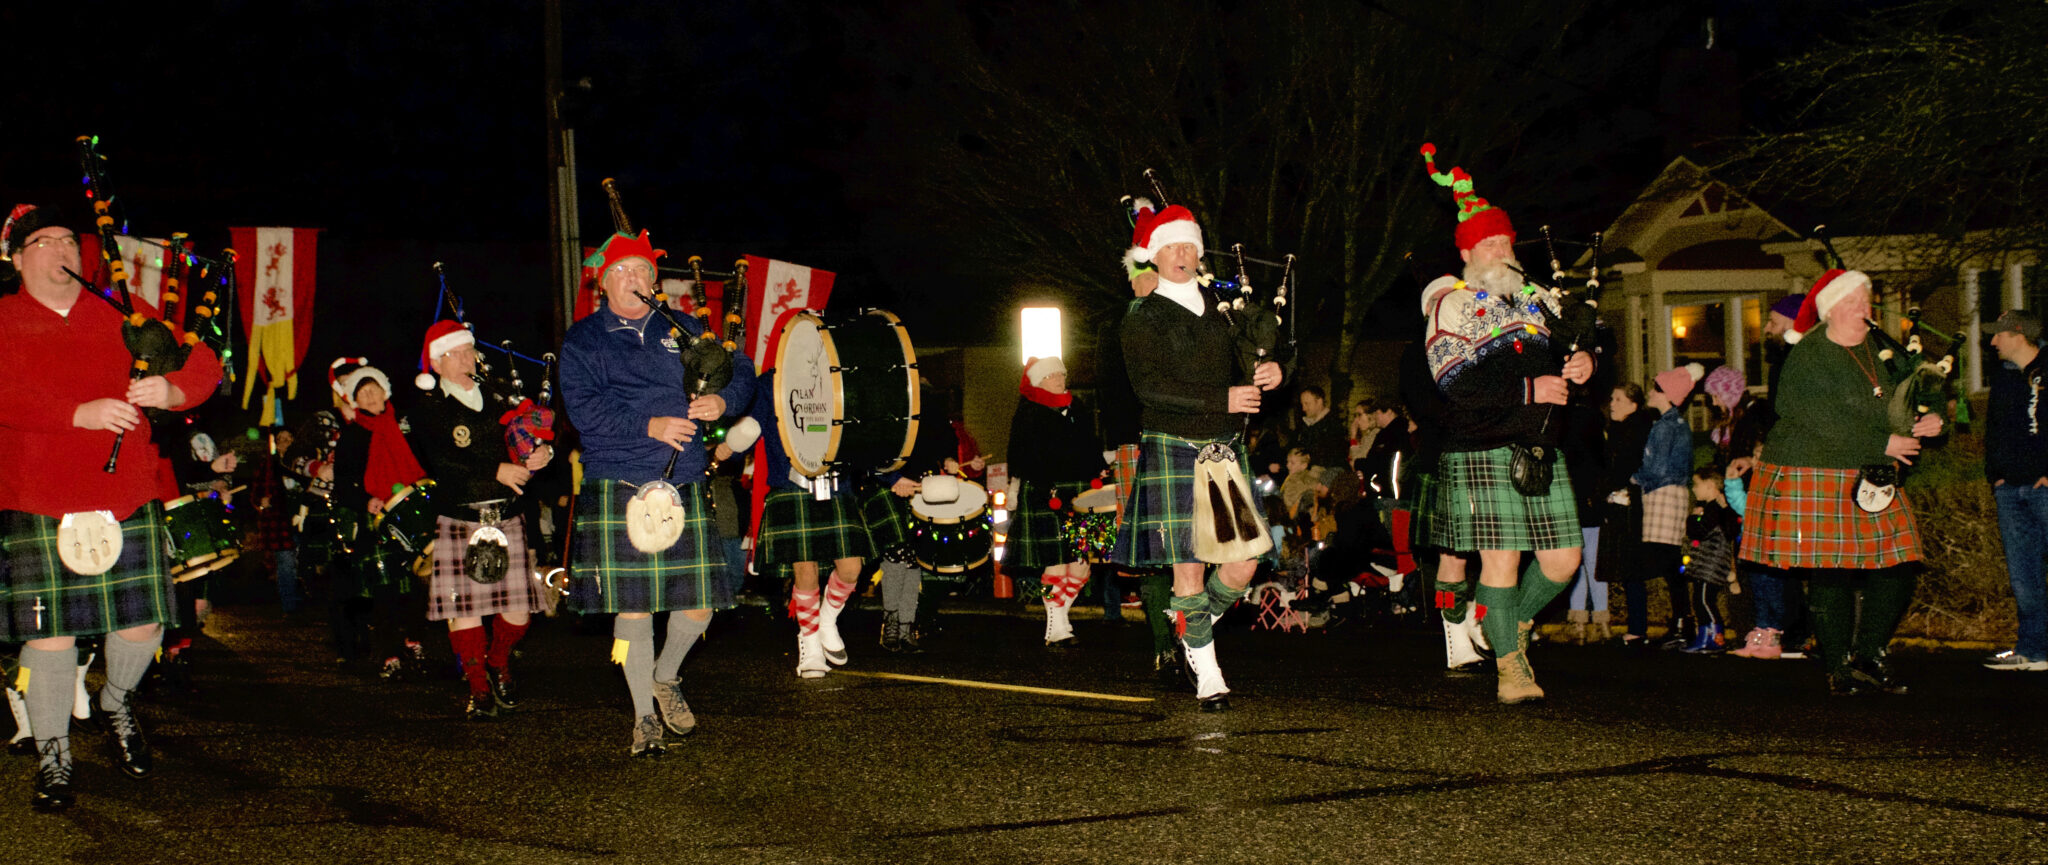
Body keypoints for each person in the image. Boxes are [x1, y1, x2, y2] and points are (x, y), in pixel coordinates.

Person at [0, 204, 222, 810]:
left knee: (145, 622)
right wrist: (78, 413)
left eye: (68, 239)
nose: (61, 249)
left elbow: (202, 363)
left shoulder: (121, 316)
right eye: (42, 242)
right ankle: (53, 750)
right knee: (51, 639)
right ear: (17, 259)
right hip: (38, 497)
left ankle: (116, 702)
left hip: (126, 494)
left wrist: (171, 390)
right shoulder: (3, 319)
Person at [560, 227, 756, 755]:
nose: (634, 280)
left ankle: (666, 676)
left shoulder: (683, 329)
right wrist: (651, 425)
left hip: (684, 481)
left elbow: (738, 367)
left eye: (643, 271)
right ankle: (643, 718)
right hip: (620, 482)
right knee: (635, 611)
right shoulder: (584, 340)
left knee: (699, 607)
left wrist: (723, 402)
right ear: (603, 284)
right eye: (621, 272)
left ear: (654, 281)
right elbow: (584, 409)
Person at [1416, 145, 1594, 703]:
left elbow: (1572, 352)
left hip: (1541, 446)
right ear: (1468, 252)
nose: (1501, 250)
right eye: (1489, 243)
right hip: (1483, 446)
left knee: (1564, 560)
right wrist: (1526, 389)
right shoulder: (1453, 305)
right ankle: (1511, 670)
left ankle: (1508, 624)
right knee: (1502, 561)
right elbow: (1452, 384)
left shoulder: (1539, 300)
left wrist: (1583, 363)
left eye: (1506, 241)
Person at [1113, 200, 1285, 711]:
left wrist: (1275, 370)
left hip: (1225, 450)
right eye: (1172, 248)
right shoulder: (1142, 316)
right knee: (1187, 567)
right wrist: (1222, 399)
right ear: (1155, 257)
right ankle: (1208, 673)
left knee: (1245, 564)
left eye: (1190, 245)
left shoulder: (1225, 308)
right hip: (1175, 445)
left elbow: (1266, 347)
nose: (1184, 254)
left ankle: (1190, 625)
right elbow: (1150, 389)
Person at [1739, 269, 1942, 696]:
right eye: (1852, 302)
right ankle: (1838, 667)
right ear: (1829, 310)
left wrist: (1930, 417)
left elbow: (1919, 384)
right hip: (1815, 468)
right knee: (1831, 571)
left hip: (1872, 467)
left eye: (1866, 300)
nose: (1863, 309)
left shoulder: (1880, 348)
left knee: (1900, 565)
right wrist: (1884, 441)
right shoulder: (1811, 355)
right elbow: (1811, 418)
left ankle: (1868, 653)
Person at [403, 320, 553, 720]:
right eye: (460, 353)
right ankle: (478, 687)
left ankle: (498, 659)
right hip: (460, 516)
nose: (470, 358)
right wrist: (496, 471)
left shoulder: (499, 396)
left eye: (471, 351)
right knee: (464, 609)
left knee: (519, 609)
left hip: (508, 514)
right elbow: (442, 460)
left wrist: (540, 456)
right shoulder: (427, 406)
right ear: (437, 363)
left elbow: (523, 437)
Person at [327, 359, 429, 681]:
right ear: (355, 400)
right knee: (384, 592)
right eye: (363, 392)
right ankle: (388, 654)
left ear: (386, 391)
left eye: (375, 389)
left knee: (416, 585)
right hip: (377, 520)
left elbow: (427, 460)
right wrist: (364, 500)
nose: (371, 396)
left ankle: (414, 640)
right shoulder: (352, 436)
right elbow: (342, 484)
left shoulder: (405, 424)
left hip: (415, 514)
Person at [1100, 259, 1179, 676]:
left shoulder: (1181, 315)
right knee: (1152, 553)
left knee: (1187, 548)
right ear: (1139, 280)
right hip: (1141, 439)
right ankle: (1164, 644)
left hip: (1181, 437)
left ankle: (1188, 638)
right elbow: (1113, 389)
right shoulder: (1122, 325)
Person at [1003, 356, 1104, 648]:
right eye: (1053, 375)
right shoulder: (1029, 412)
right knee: (1055, 566)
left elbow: (1090, 442)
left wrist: (1098, 467)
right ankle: (1058, 625)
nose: (1060, 379)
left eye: (1062, 374)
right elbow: (1020, 455)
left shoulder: (1077, 407)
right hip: (1046, 492)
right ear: (1039, 381)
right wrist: (1045, 488)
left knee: (1082, 565)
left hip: (1082, 490)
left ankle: (1059, 615)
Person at [1982, 309, 2048, 671]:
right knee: (2024, 577)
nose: (1992, 342)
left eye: (1998, 334)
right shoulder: (2004, 379)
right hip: (2011, 490)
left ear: (2019, 333)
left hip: (2043, 488)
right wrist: (1997, 476)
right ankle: (2034, 650)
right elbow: (1994, 431)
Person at [1636, 365, 1701, 650]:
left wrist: (1636, 478)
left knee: (1666, 559)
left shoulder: (1665, 426)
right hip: (1670, 492)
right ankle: (1682, 622)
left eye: (1655, 388)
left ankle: (1682, 624)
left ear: (1667, 395)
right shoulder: (1676, 424)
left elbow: (1658, 467)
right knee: (1668, 559)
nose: (1650, 392)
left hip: (1663, 492)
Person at [1595, 384, 1655, 647]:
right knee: (1628, 566)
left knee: (1633, 566)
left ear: (1633, 404)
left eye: (1618, 399)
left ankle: (1638, 626)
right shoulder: (1619, 430)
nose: (1612, 403)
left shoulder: (1634, 432)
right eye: (1611, 397)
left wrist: (1605, 487)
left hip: (1632, 506)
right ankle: (1636, 625)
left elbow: (1623, 467)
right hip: (1620, 504)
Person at [1291, 385, 1348, 472]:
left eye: (1307, 403)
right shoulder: (1304, 425)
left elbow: (1333, 456)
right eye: (1302, 404)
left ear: (1319, 402)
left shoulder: (1334, 426)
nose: (1303, 408)